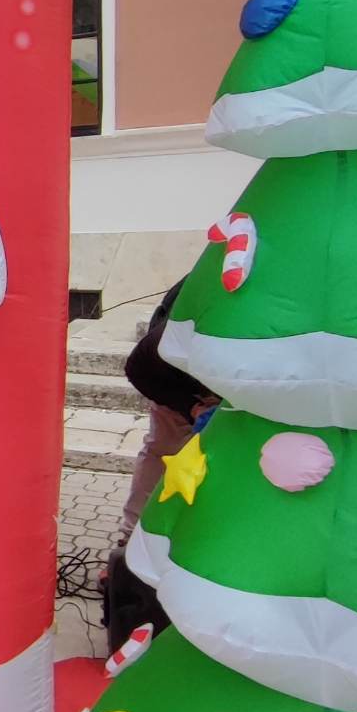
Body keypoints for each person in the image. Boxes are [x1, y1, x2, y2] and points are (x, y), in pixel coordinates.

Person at [103, 278, 220, 655]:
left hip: (203, 375)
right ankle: (129, 551)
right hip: (173, 379)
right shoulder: (159, 356)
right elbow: (141, 370)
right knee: (165, 452)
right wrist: (192, 407)